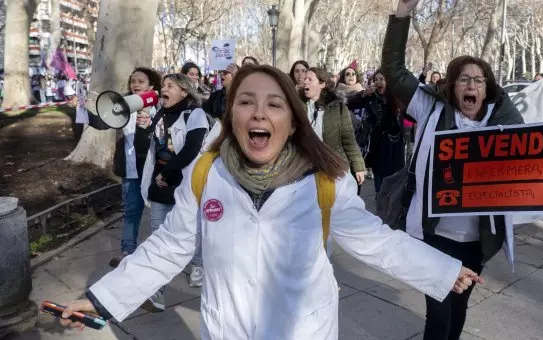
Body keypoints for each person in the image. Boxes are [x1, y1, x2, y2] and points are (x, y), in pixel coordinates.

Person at [54, 64, 483, 339]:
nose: (259, 113)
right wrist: (101, 299)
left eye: (274, 104)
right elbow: (169, 248)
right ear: (232, 117)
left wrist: (441, 269)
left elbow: (377, 241)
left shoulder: (326, 181)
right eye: (246, 102)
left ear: (292, 121)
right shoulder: (206, 174)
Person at [382, 1, 543, 339]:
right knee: (438, 313)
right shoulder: (430, 108)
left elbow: (529, 163)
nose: (472, 85)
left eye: (479, 80)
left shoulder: (504, 123)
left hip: (477, 240)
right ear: (453, 87)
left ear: (487, 90)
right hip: (434, 235)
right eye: (465, 79)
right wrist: (401, 14)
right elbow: (394, 68)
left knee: (459, 310)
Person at [139, 73, 210, 311]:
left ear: (185, 91)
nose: (163, 89)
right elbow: (150, 147)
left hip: (183, 185)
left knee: (190, 234)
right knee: (159, 240)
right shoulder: (158, 113)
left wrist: (166, 173)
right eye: (163, 86)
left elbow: (191, 149)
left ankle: (198, 265)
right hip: (159, 186)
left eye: (170, 86)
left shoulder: (194, 114)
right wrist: (142, 127)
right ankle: (157, 292)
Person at [84, 68, 162, 271]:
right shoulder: (122, 104)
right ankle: (128, 252)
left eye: (141, 81)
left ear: (151, 86)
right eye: (133, 81)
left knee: (160, 215)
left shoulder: (160, 107)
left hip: (154, 170)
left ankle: (161, 254)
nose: (135, 84)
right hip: (130, 170)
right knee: (131, 211)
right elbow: (102, 123)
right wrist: (83, 111)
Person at [301, 67, 366, 193]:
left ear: (322, 84)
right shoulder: (298, 107)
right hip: (306, 171)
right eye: (305, 79)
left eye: (310, 79)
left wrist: (358, 167)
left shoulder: (338, 108)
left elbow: (349, 140)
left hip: (334, 168)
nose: (305, 82)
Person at [346, 69, 406, 193]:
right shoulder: (370, 97)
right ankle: (380, 207)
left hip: (395, 146)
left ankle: (393, 209)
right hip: (377, 145)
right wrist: (362, 94)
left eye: (381, 79)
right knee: (379, 184)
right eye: (376, 79)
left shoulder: (397, 97)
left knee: (395, 183)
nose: (378, 82)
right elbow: (348, 104)